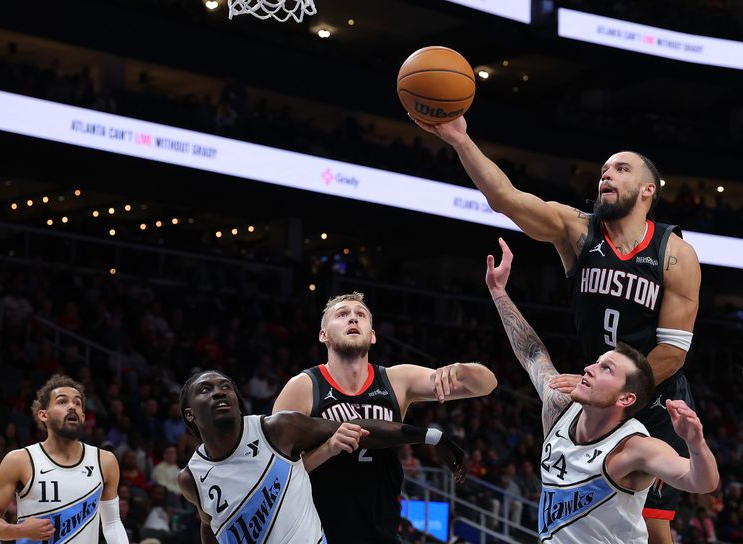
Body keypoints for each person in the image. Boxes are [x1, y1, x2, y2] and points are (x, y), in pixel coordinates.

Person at [416, 114, 701, 544]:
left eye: (621, 169)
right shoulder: (578, 231)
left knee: (656, 530)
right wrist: (460, 139)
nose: (606, 174)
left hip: (655, 400)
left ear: (648, 190)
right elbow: (506, 199)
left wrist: (620, 393)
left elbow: (673, 352)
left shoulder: (675, 253)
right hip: (600, 394)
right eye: (604, 169)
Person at [485, 238, 717, 543]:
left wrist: (696, 442)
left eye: (606, 368)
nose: (589, 368)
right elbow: (532, 355)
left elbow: (703, 482)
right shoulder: (558, 406)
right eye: (596, 362)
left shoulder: (634, 447)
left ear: (626, 397)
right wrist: (499, 292)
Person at [272, 292, 498, 543]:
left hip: (383, 533)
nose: (353, 319)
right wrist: (327, 449)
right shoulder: (302, 387)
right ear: (323, 334)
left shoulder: (396, 380)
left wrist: (461, 369)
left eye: (360, 315)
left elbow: (486, 385)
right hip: (319, 534)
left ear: (372, 335)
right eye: (342, 314)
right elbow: (273, 474)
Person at [178, 369, 465, 544]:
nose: (219, 392)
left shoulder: (277, 429)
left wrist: (429, 435)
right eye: (206, 389)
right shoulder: (191, 478)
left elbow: (358, 427)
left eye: (226, 387)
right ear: (190, 414)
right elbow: (209, 524)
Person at [0, 374, 129, 543]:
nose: (72, 406)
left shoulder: (105, 461)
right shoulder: (19, 460)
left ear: (82, 417)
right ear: (43, 415)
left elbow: (112, 523)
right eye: (62, 401)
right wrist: (19, 530)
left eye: (77, 403)